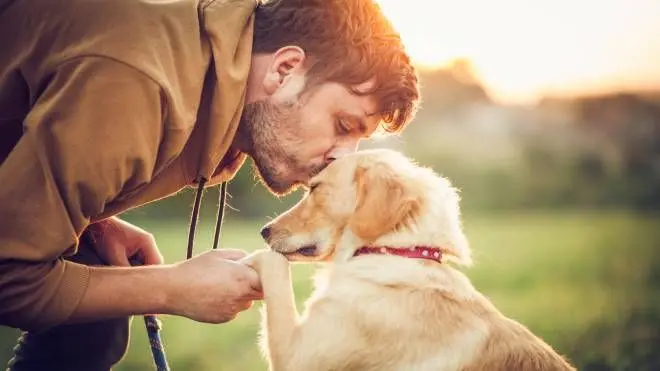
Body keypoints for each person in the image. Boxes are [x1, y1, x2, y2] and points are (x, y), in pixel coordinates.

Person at [0, 0, 420, 369]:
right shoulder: (141, 82)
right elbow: (7, 275)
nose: (342, 157)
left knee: (97, 314)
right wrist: (169, 289)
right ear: (285, 68)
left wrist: (95, 221)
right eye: (343, 125)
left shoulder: (212, 71)